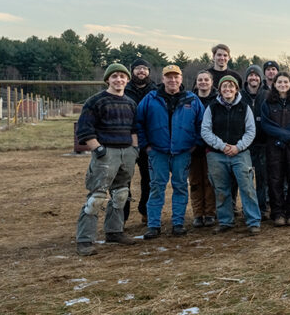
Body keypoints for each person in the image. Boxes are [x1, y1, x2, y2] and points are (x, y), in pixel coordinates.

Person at [72, 63, 139, 256]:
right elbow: (84, 129)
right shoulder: (95, 101)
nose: (119, 80)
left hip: (126, 152)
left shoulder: (130, 102)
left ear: (127, 80)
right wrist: (98, 149)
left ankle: (114, 231)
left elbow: (134, 129)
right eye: (115, 76)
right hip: (105, 152)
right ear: (108, 79)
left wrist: (134, 150)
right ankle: (85, 239)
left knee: (120, 194)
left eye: (122, 76)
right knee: (96, 197)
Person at [135, 65, 204, 239]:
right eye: (169, 77)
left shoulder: (192, 99)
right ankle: (153, 225)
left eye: (176, 77)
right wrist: (146, 146)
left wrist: (194, 145)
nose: (172, 80)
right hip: (158, 151)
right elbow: (139, 123)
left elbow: (202, 124)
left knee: (180, 186)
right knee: (157, 187)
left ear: (181, 79)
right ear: (163, 79)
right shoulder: (151, 98)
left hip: (182, 151)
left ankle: (178, 223)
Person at [201, 75, 262, 235]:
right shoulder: (212, 107)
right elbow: (205, 130)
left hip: (240, 153)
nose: (227, 89)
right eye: (224, 87)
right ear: (219, 89)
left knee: (247, 187)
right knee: (221, 189)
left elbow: (251, 131)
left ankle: (253, 221)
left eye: (231, 86)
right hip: (216, 155)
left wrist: (238, 147)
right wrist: (221, 146)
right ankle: (225, 221)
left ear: (236, 89)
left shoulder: (244, 107)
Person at [260, 72, 290, 227]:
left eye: (286, 82)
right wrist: (282, 137)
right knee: (275, 180)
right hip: (274, 148)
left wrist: (285, 137)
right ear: (274, 84)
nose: (283, 85)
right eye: (279, 82)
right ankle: (278, 213)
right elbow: (266, 124)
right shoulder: (267, 103)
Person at [123, 57, 156, 225]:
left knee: (149, 179)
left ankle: (146, 211)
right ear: (132, 71)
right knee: (124, 180)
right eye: (138, 69)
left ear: (148, 72)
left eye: (144, 68)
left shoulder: (155, 91)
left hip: (148, 142)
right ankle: (122, 216)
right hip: (127, 141)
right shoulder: (124, 89)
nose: (141, 71)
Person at [189, 70, 218, 227]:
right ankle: (198, 213)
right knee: (195, 181)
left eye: (206, 79)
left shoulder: (217, 100)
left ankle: (210, 213)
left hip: (211, 147)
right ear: (196, 82)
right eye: (200, 79)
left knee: (209, 180)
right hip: (193, 147)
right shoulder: (189, 99)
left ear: (211, 82)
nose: (203, 82)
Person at [241, 65, 269, 220]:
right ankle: (249, 209)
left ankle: (263, 208)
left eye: (256, 75)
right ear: (247, 78)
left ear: (260, 78)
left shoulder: (267, 95)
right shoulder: (240, 96)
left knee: (263, 179)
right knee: (247, 180)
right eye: (250, 75)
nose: (253, 78)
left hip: (264, 144)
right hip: (245, 146)